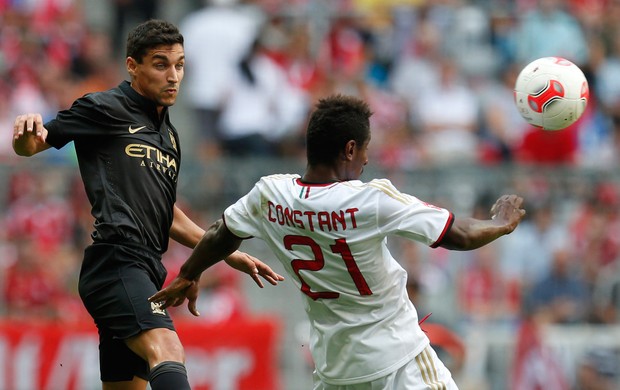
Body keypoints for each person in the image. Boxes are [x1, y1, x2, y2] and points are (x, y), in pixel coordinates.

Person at [150, 94, 526, 389]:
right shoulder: (369, 200)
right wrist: (500, 224)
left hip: (336, 372)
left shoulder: (270, 195)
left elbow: (221, 233)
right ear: (349, 149)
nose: (365, 159)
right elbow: (457, 234)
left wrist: (189, 272)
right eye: (364, 149)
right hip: (398, 363)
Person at [11, 19, 283, 390]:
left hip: (147, 270)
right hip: (116, 263)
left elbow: (166, 213)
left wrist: (224, 251)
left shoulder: (169, 135)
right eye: (160, 64)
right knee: (168, 348)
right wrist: (25, 135)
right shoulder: (104, 107)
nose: (173, 76)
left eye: (180, 65)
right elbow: (34, 144)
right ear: (132, 66)